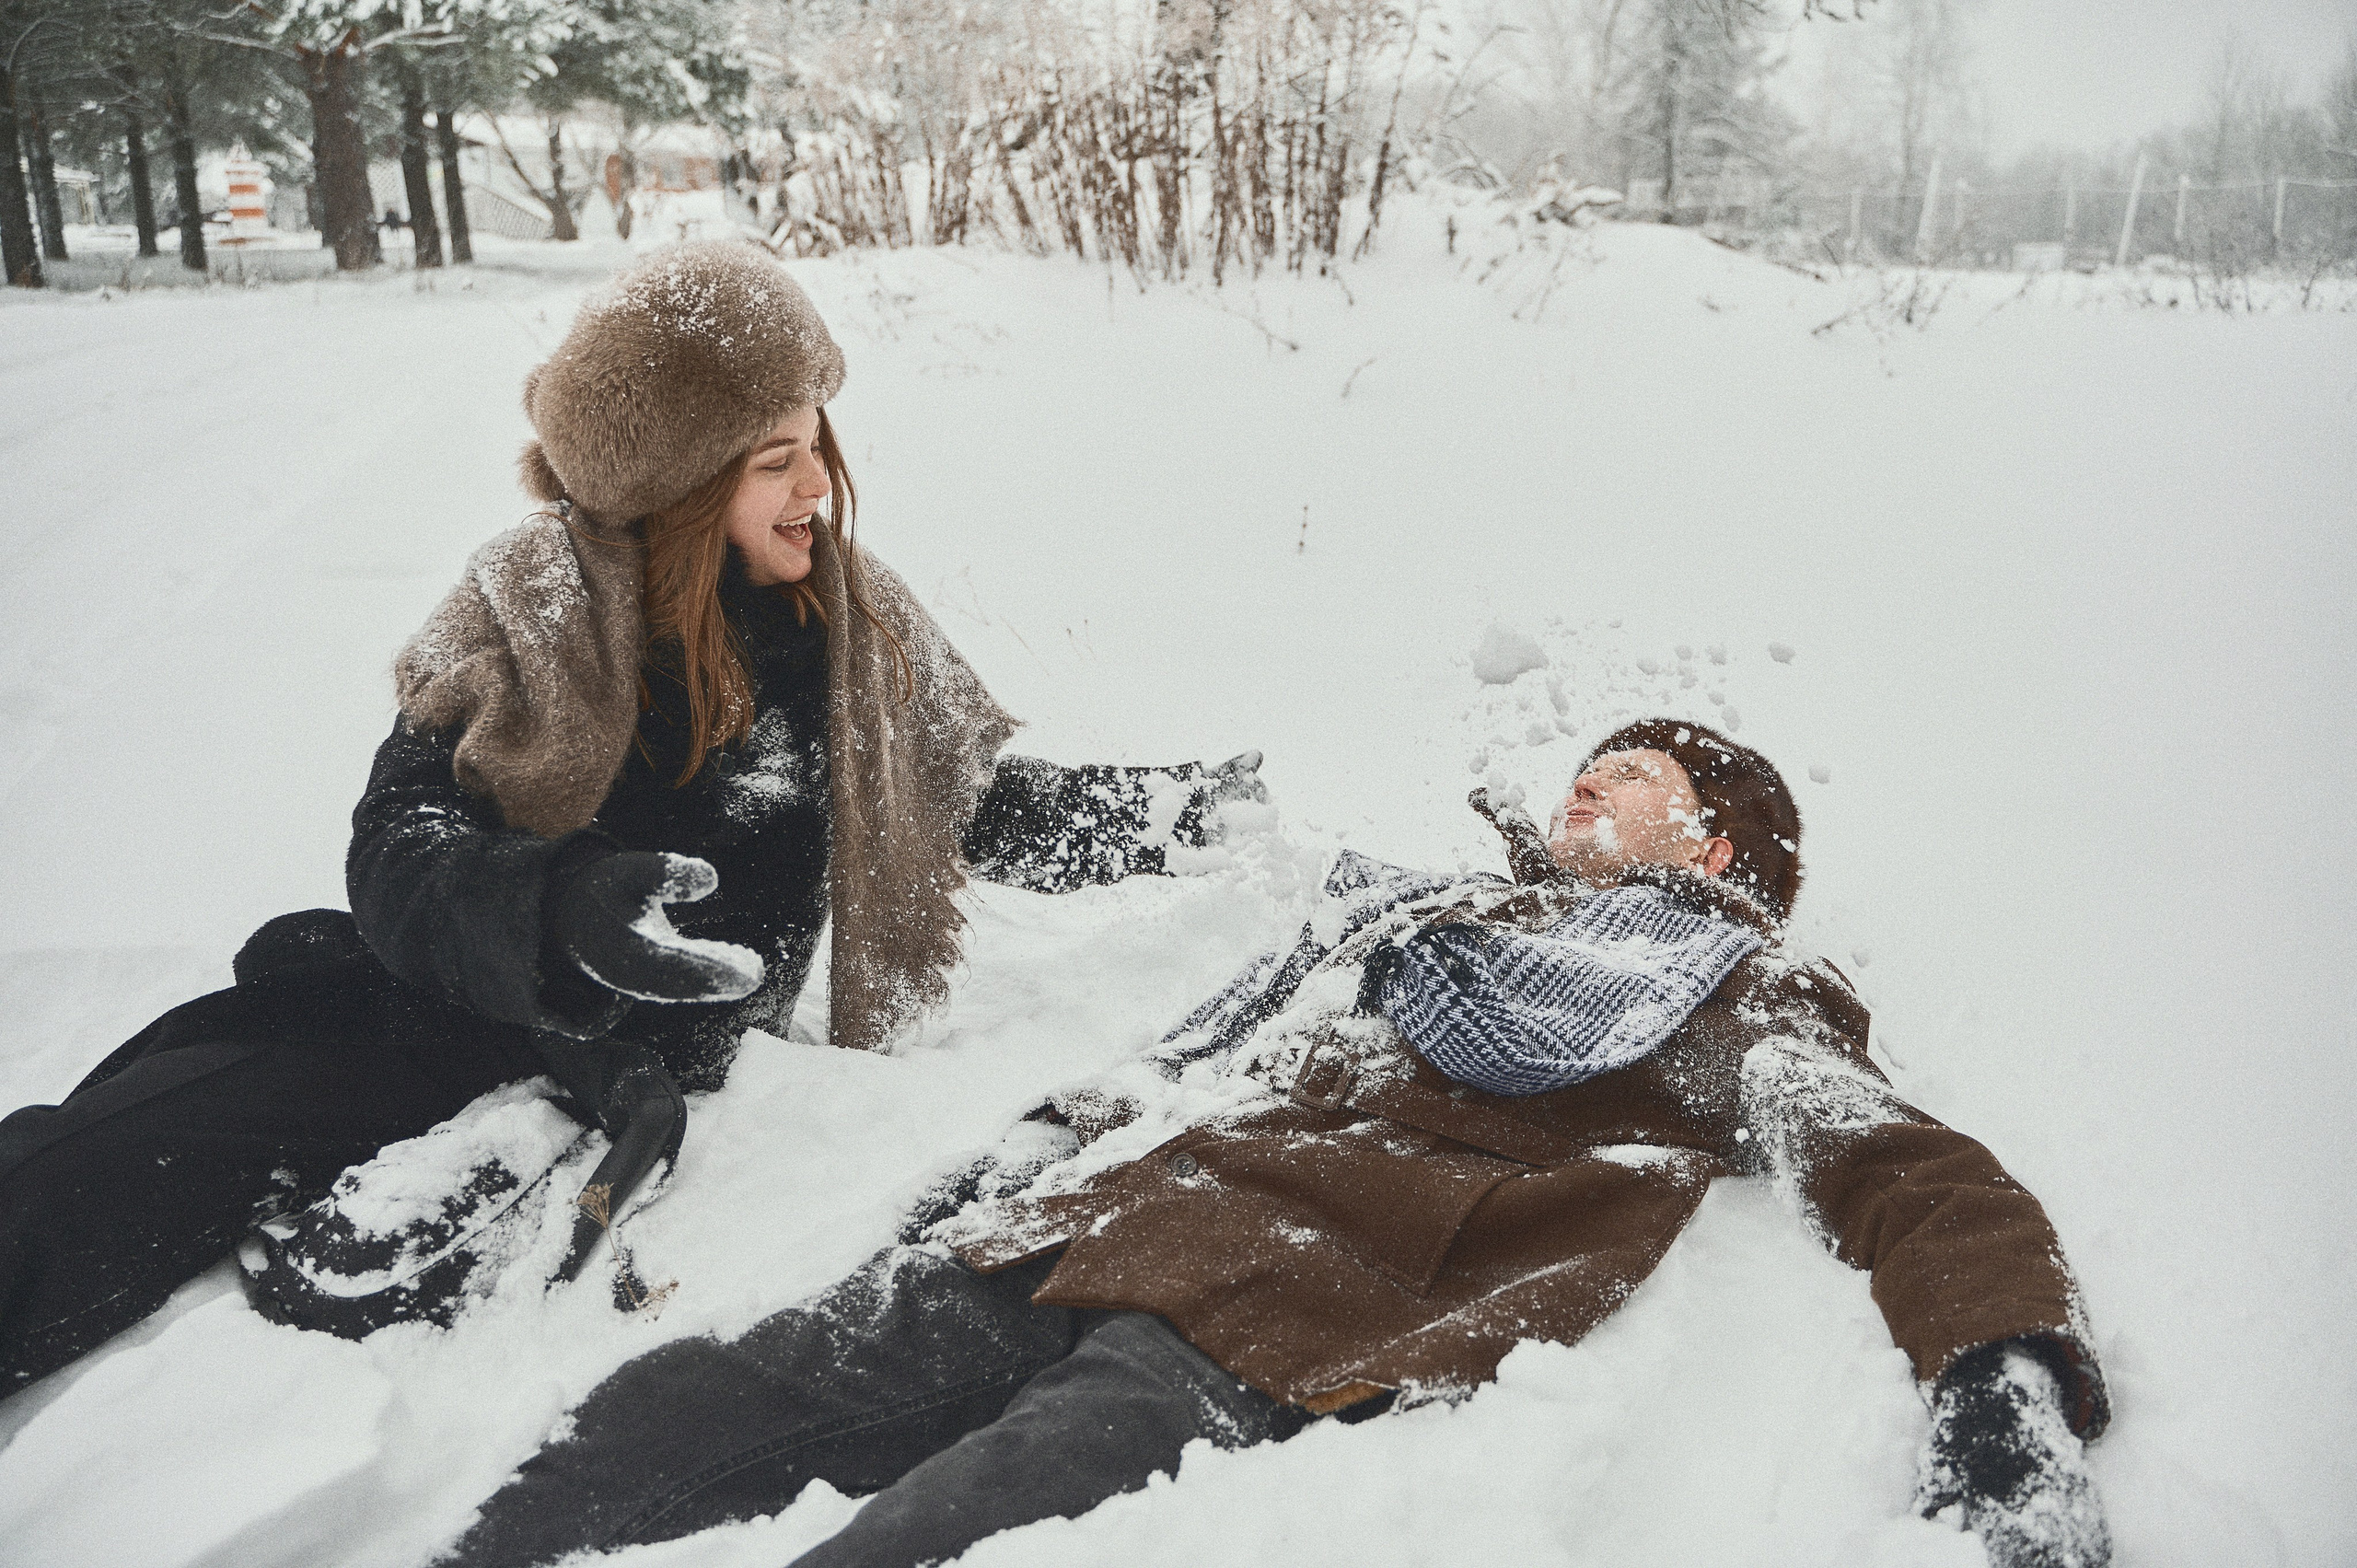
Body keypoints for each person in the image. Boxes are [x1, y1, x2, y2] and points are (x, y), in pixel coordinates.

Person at [0, 239, 1262, 1393]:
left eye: (819, 443)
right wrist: (559, 911)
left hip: (638, 1076)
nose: (818, 486)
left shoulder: (850, 627)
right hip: (437, 1021)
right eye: (775, 461)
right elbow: (398, 847)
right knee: (94, 1183)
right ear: (677, 481)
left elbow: (963, 801)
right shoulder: (526, 607)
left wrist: (1163, 816)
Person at [435, 719, 2112, 1568]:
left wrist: (2004, 1383)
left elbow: (1900, 1163)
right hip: (1088, 1228)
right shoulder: (1421, 918)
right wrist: (1002, 1175)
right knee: (686, 1407)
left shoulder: (1720, 973)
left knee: (929, 1539)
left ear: (1718, 832)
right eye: (1578, 771)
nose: (1581, 790)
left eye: (1628, 776)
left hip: (1293, 1312)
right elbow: (1185, 1060)